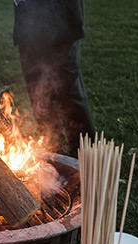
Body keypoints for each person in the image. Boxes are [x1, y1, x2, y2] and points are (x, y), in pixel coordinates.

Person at [13, 0, 96, 157]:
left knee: (68, 92)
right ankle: (54, 152)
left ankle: (86, 159)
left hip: (60, 19)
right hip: (27, 23)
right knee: (39, 94)